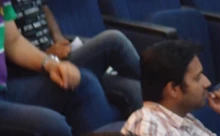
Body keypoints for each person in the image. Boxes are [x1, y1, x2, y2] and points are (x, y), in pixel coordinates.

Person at [0, 0, 116, 136]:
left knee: (82, 83)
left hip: (5, 88)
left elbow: (13, 42)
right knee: (52, 127)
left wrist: (50, 63)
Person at [10, 0, 142, 115]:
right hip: (35, 67)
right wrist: (46, 56)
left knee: (133, 88)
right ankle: (158, 86)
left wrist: (58, 37)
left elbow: (44, 7)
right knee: (113, 41)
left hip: (56, 58)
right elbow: (11, 46)